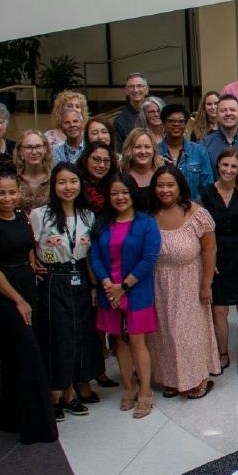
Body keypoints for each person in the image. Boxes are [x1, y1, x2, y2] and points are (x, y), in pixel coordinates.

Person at [0, 169, 58, 444]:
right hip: (5, 292)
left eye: (12, 192)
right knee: (28, 355)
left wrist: (33, 262)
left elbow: (26, 247)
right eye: (1, 192)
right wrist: (18, 300)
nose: (7, 197)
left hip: (25, 283)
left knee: (14, 357)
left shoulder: (21, 217)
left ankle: (12, 418)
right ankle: (35, 426)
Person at [31, 164, 100, 423]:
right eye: (61, 182)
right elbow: (30, 245)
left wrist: (93, 286)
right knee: (56, 334)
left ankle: (71, 392)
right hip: (53, 278)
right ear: (53, 185)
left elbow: (90, 255)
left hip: (80, 277)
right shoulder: (41, 214)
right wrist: (33, 267)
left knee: (79, 333)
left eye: (73, 181)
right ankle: (54, 393)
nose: (68, 187)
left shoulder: (87, 216)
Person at [89, 173, 162, 417]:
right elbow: (95, 256)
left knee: (137, 341)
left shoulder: (146, 223)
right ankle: (128, 387)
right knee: (117, 340)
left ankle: (145, 391)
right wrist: (108, 283)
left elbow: (149, 258)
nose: (120, 197)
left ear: (132, 193)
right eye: (114, 193)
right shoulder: (102, 223)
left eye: (124, 192)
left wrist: (124, 286)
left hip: (136, 291)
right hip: (109, 292)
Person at [148, 165, 218, 400]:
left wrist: (206, 284)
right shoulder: (149, 215)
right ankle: (171, 378)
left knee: (187, 332)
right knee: (164, 331)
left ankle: (197, 377)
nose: (165, 190)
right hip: (158, 281)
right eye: (160, 185)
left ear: (180, 187)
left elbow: (210, 249)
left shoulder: (197, 214)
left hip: (190, 280)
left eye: (170, 185)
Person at [201, 149, 238, 376]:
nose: (228, 170)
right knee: (219, 309)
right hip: (217, 250)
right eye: (224, 165)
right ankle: (223, 352)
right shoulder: (206, 193)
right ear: (218, 166)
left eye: (233, 166)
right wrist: (207, 259)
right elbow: (203, 229)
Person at [158, 103, 215, 197]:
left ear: (186, 124)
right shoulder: (155, 152)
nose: (176, 124)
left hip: (192, 208)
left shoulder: (199, 151)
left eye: (181, 121)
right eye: (171, 121)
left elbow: (207, 187)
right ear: (163, 124)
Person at [120, 128, 159, 212]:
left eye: (147, 147)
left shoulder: (162, 175)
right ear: (129, 150)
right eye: (137, 147)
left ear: (154, 150)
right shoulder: (120, 176)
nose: (143, 151)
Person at [13, 129, 52, 212]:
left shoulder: (55, 179)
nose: (34, 152)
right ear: (20, 151)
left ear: (45, 149)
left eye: (38, 146)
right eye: (29, 147)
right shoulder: (13, 179)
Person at [202, 94, 238, 163]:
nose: (228, 113)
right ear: (217, 114)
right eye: (223, 110)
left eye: (232, 110)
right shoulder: (205, 144)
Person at [77, 143, 116, 214]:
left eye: (106, 161)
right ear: (85, 159)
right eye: (96, 159)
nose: (102, 165)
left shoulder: (113, 185)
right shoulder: (77, 185)